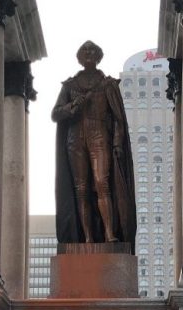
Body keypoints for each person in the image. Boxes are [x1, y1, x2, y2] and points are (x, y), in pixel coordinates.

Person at [52, 40, 136, 246]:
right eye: (84, 51)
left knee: (102, 183)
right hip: (75, 138)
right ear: (80, 56)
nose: (88, 53)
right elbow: (56, 113)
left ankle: (109, 234)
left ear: (99, 56)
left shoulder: (107, 84)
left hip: (99, 135)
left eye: (92, 51)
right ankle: (87, 237)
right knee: (81, 188)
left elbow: (117, 117)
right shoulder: (70, 86)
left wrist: (117, 142)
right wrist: (73, 106)